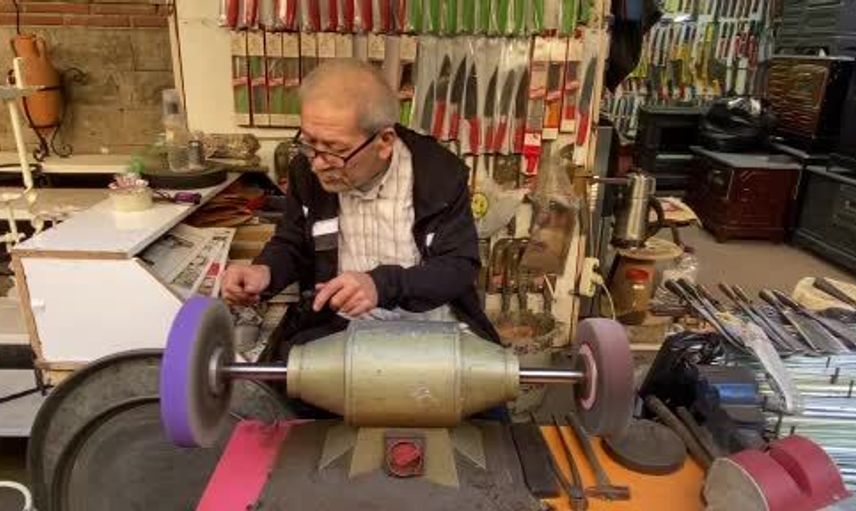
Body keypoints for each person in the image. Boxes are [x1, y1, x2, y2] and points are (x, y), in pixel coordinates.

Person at [221, 58, 499, 359]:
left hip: (429, 326)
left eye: (336, 150)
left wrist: (381, 285)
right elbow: (293, 241)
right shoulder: (307, 170)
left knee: (487, 384)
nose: (317, 164)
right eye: (309, 143)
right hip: (341, 327)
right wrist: (265, 270)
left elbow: (459, 266)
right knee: (274, 381)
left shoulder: (439, 176)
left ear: (384, 142)